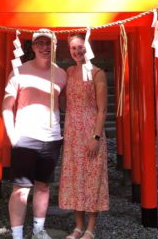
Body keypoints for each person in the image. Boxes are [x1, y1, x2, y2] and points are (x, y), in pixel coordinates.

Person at [2, 29, 67, 239]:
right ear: (32, 46)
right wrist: (12, 135)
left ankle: (39, 230)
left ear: (55, 46)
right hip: (26, 135)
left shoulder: (61, 74)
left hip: (52, 136)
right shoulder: (19, 71)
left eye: (48, 44)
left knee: (43, 185)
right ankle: (17, 234)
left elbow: (63, 103)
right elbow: (7, 104)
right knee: (21, 188)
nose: (44, 48)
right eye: (39, 43)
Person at [59, 33, 109, 239]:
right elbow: (63, 103)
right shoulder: (68, 72)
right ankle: (78, 226)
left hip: (90, 131)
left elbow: (102, 109)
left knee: (92, 176)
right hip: (72, 133)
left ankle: (90, 228)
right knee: (75, 178)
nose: (77, 51)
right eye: (73, 48)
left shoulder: (98, 73)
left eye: (80, 47)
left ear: (87, 47)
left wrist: (96, 136)